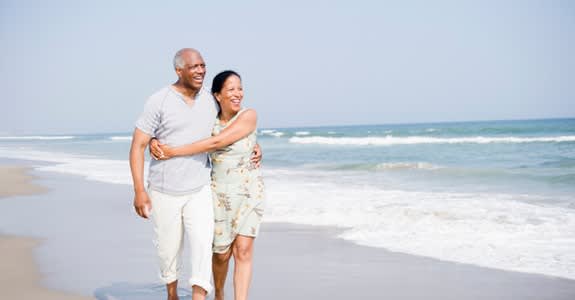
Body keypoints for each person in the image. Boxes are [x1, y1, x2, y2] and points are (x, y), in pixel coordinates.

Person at [130, 49, 260, 300]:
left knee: (202, 246)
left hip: (201, 187)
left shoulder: (210, 101)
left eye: (203, 65)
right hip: (164, 188)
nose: (201, 70)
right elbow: (137, 145)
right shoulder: (159, 101)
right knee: (168, 251)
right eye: (194, 66)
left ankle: (199, 295)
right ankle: (172, 294)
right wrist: (139, 190)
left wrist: (254, 145)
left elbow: (228, 126)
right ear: (179, 71)